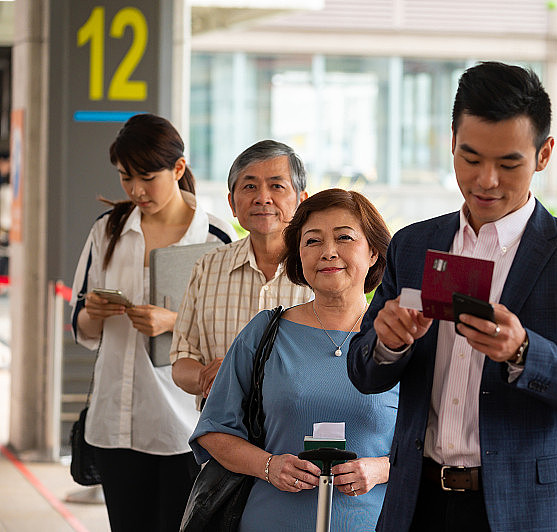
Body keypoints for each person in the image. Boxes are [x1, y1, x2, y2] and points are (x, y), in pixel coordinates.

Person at [347, 61, 557, 531]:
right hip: (419, 505)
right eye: (471, 159)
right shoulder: (414, 245)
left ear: (543, 154)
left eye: (508, 163)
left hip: (530, 512)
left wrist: (524, 352)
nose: (486, 180)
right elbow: (362, 371)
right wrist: (388, 343)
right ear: (452, 142)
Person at [190, 188, 398, 531]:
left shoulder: (397, 338)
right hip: (270, 520)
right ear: (299, 256)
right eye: (312, 241)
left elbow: (433, 443)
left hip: (373, 521)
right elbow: (213, 432)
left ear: (374, 252)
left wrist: (380, 469)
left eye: (344, 237)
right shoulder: (265, 332)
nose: (328, 252)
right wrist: (268, 466)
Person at [69, 113, 237, 532]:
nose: (136, 191)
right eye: (126, 177)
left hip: (180, 425)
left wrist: (174, 323)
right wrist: (94, 312)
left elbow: (233, 335)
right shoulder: (107, 230)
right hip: (114, 422)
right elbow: (81, 326)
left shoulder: (214, 238)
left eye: (147, 178)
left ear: (178, 168)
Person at [171, 140, 312, 406]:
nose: (262, 198)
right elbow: (181, 360)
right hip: (221, 425)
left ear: (301, 201)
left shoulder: (320, 270)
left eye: (277, 186)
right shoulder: (208, 267)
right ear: (232, 204)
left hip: (298, 426)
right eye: (249, 186)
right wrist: (205, 376)